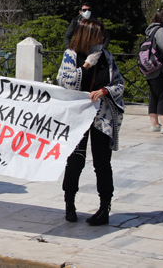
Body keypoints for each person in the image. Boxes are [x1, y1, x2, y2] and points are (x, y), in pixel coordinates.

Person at [57, 19, 124, 225]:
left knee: (102, 163)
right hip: (78, 117)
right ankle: (70, 204)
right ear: (87, 35)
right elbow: (64, 81)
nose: (102, 38)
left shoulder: (106, 57)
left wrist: (105, 91)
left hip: (101, 116)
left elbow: (119, 84)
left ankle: (104, 208)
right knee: (75, 161)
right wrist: (87, 65)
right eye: (98, 34)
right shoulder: (72, 55)